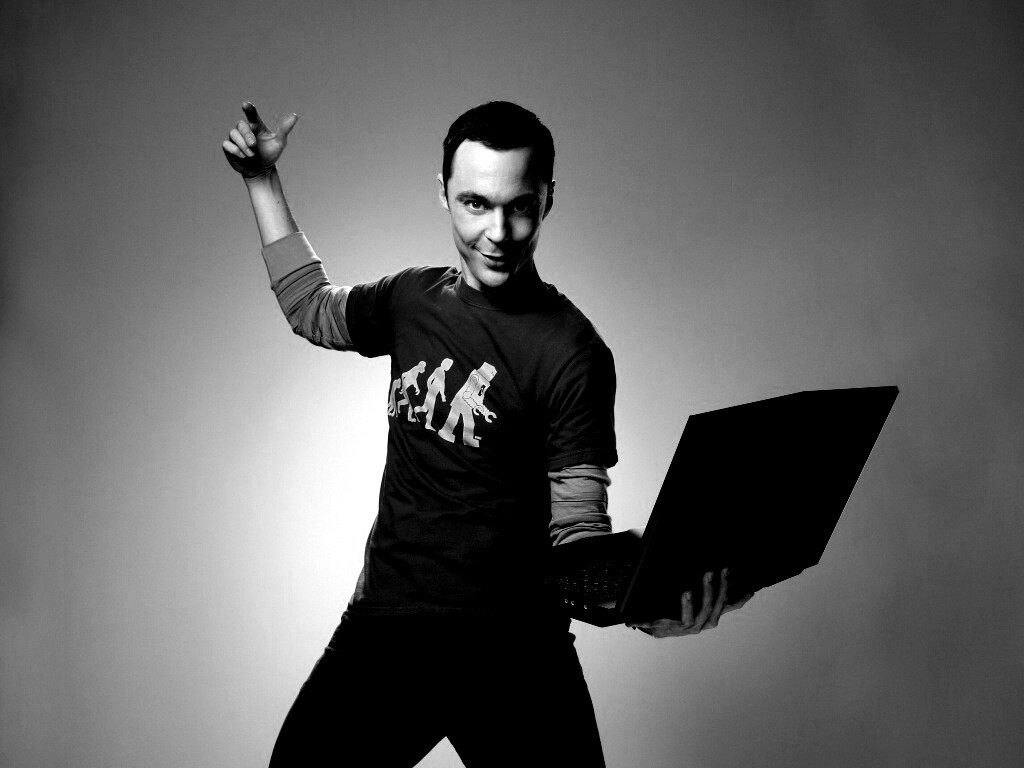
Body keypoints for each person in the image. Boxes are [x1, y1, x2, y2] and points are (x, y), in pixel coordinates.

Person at [222, 100, 751, 767]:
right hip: (387, 632)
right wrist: (261, 179)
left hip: (516, 651)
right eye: (475, 204)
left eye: (520, 206)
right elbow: (310, 308)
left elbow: (577, 533)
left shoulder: (574, 353)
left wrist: (651, 603)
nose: (498, 232)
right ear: (443, 194)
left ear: (547, 199)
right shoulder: (410, 300)